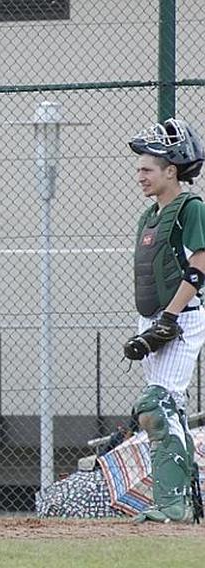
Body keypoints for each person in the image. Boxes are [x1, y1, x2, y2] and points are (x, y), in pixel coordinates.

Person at [124, 118, 205, 523]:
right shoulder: (149, 216)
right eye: (139, 169)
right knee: (165, 407)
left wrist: (170, 317)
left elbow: (201, 262)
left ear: (171, 170)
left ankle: (171, 505)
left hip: (182, 316)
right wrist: (151, 325)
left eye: (148, 169)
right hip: (154, 319)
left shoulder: (191, 208)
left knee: (158, 405)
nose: (140, 176)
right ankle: (182, 500)